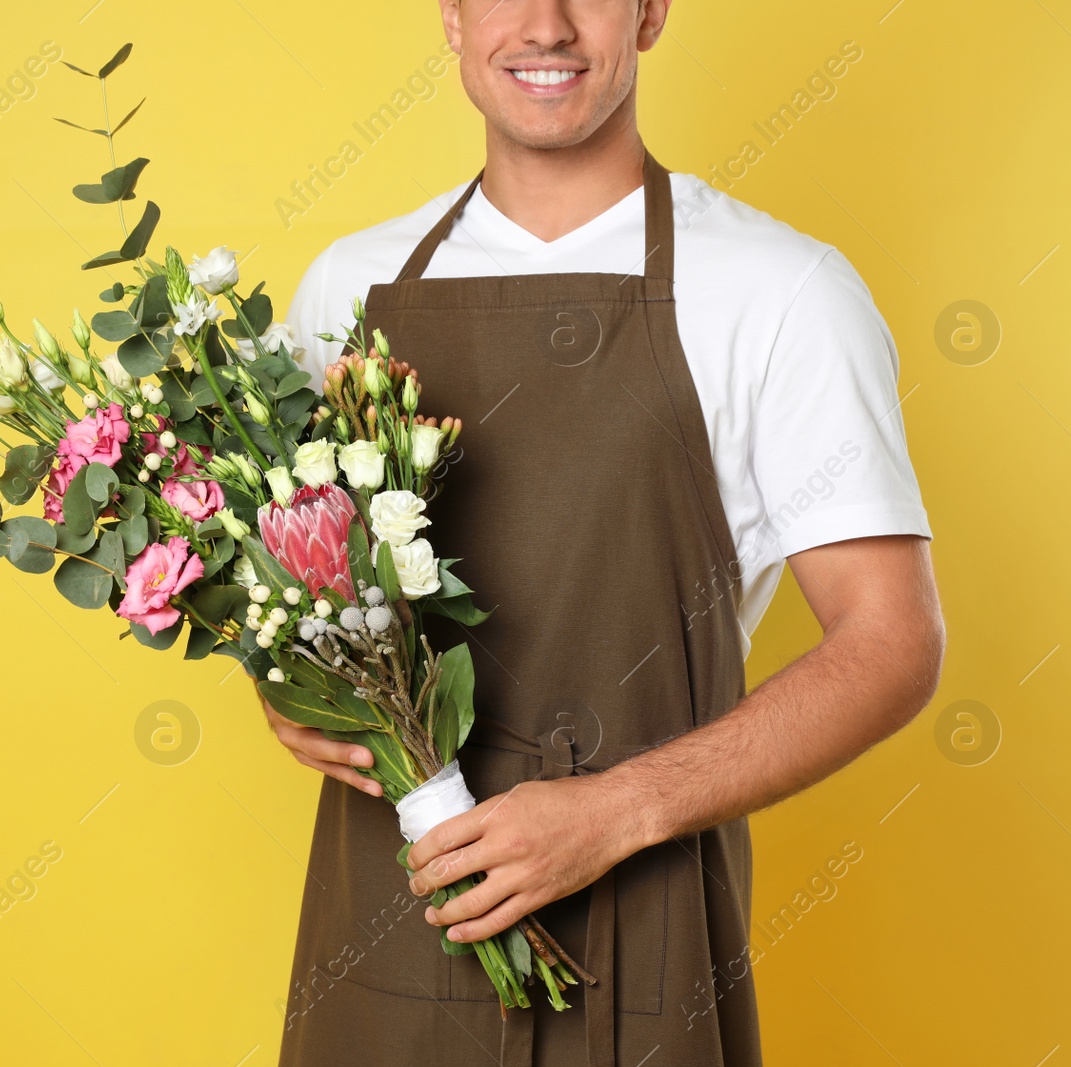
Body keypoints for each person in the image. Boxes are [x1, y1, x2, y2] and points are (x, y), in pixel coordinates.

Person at [262, 1, 945, 1063]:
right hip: (386, 910)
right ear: (450, 15)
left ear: (651, 12)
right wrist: (290, 694)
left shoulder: (782, 291)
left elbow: (891, 642)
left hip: (640, 923)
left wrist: (618, 809)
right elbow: (290, 577)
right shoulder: (348, 289)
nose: (545, 24)